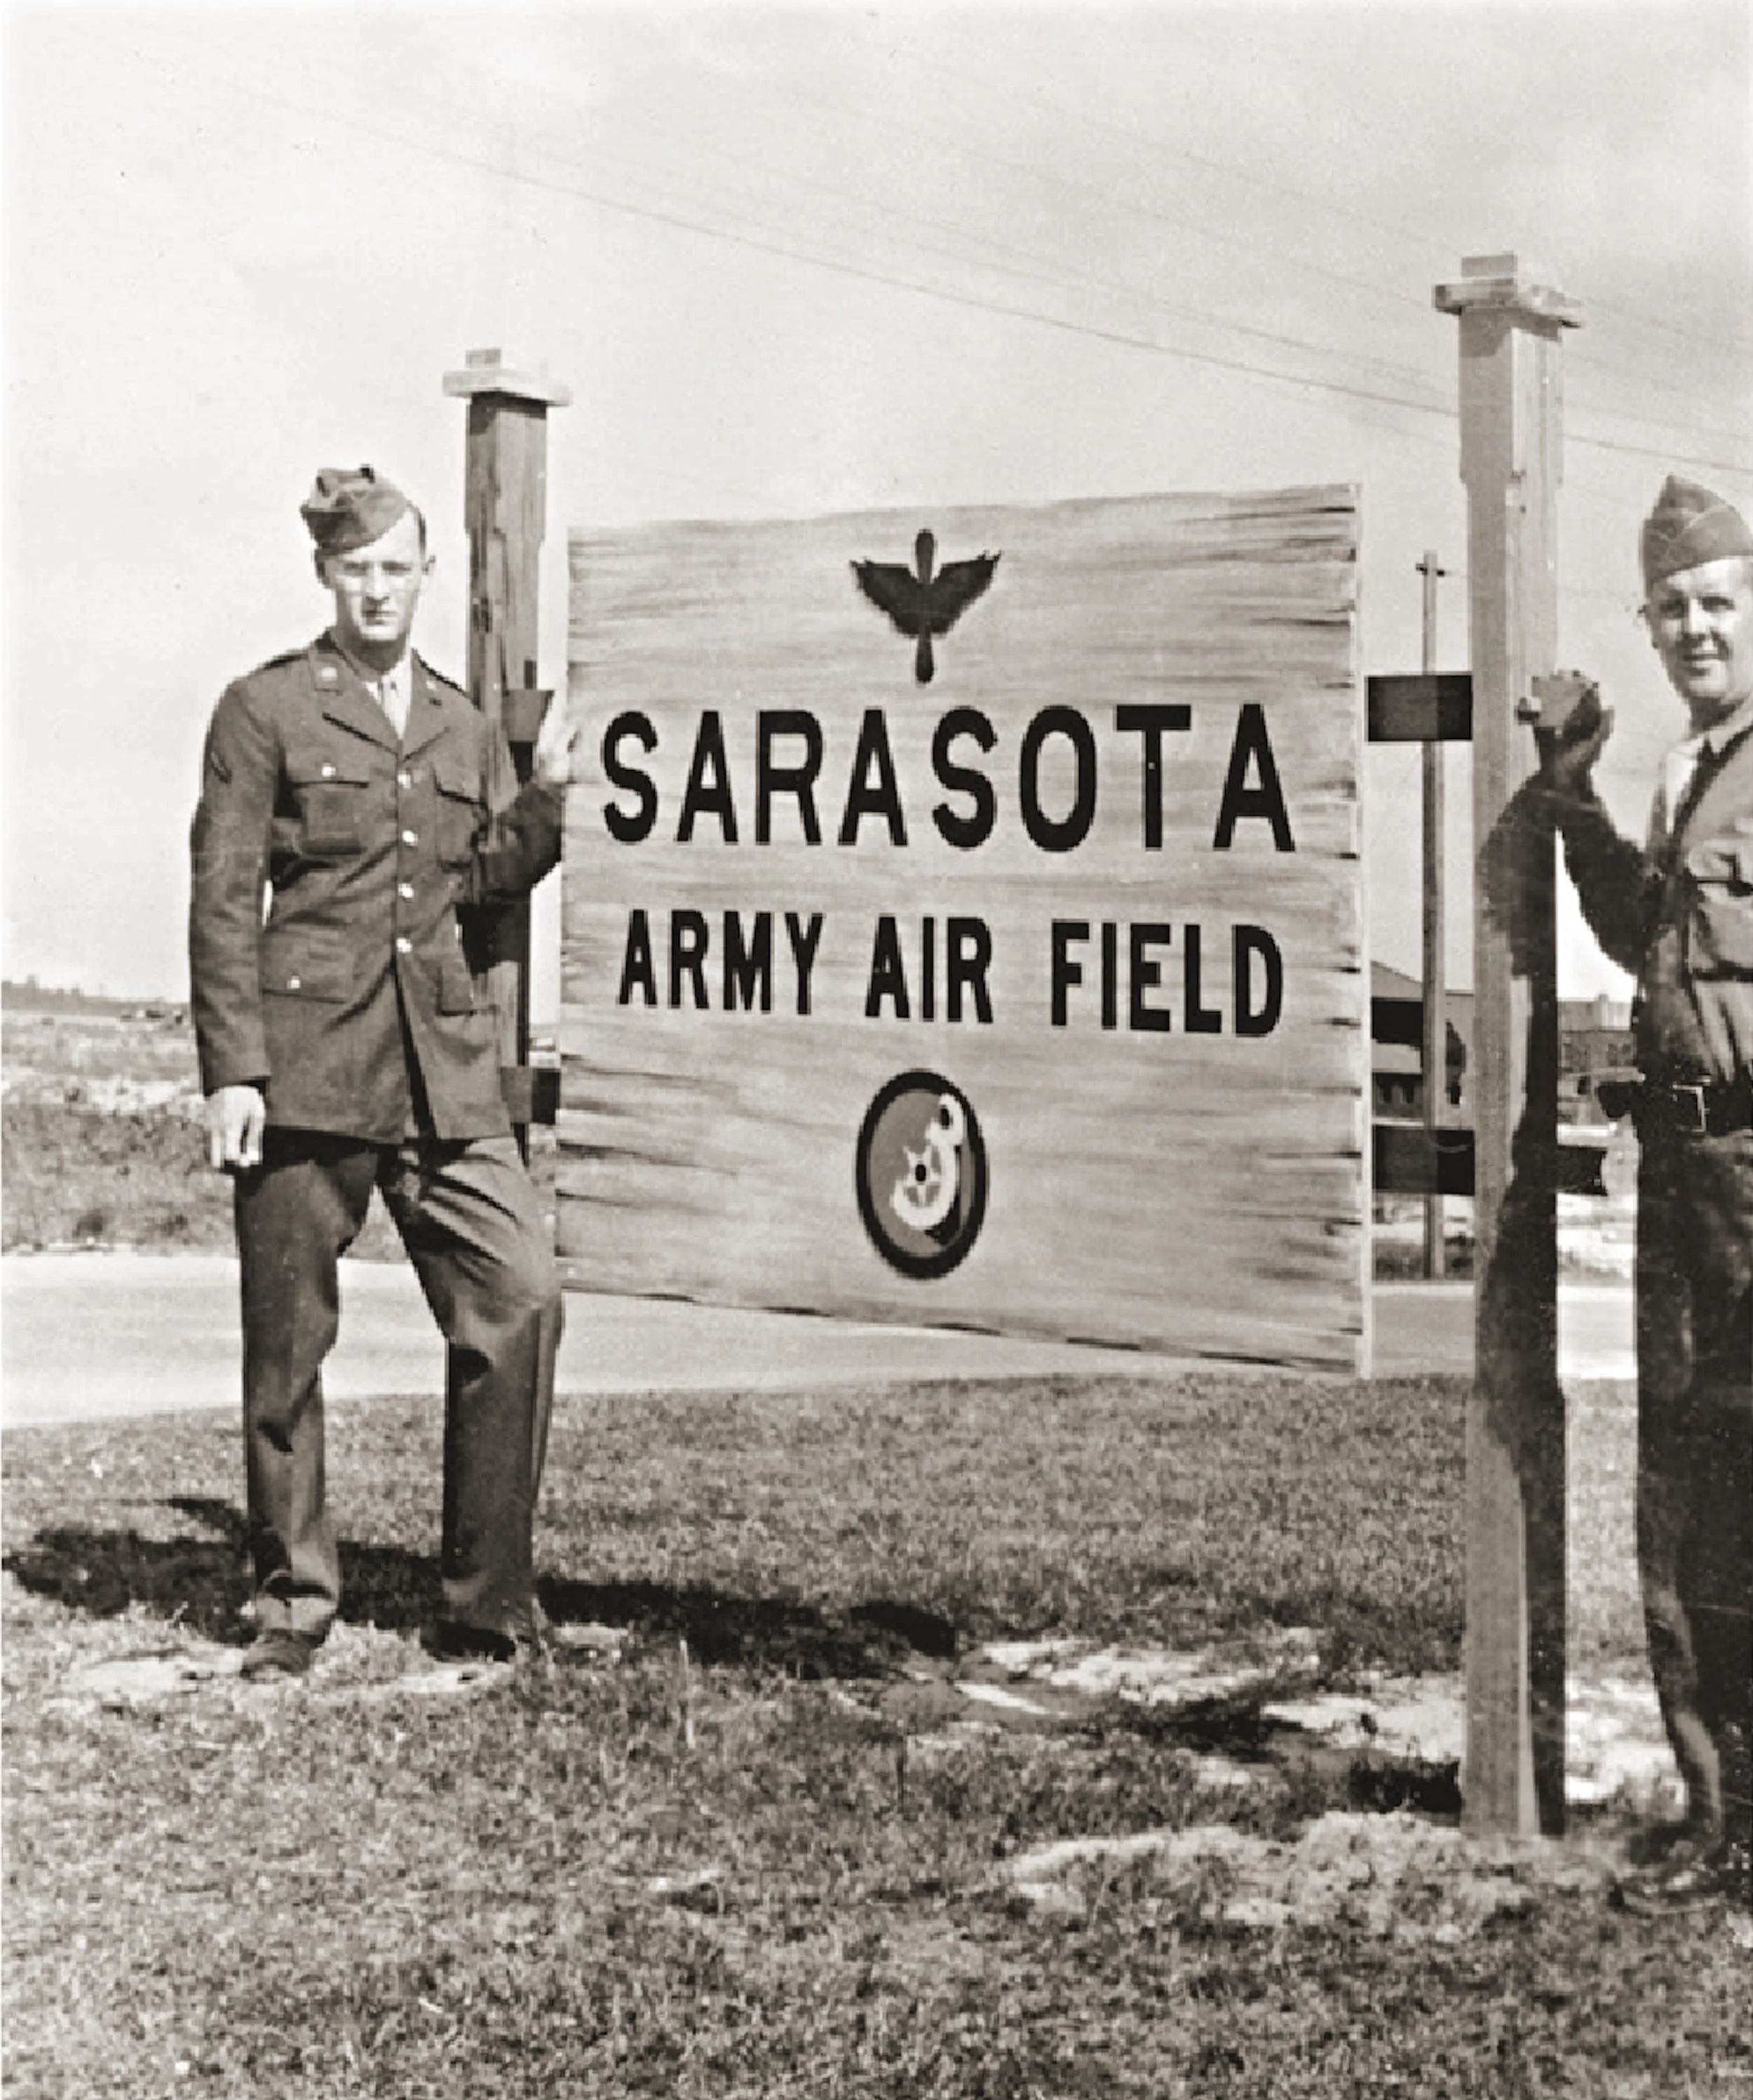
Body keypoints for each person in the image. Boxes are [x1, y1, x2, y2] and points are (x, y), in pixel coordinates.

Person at [189, 465, 576, 1679]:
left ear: (424, 577)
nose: (377, 590)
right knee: (287, 1349)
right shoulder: (267, 709)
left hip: (443, 1073)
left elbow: (484, 879)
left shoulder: (461, 724)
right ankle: (294, 1604)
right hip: (308, 1070)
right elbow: (222, 894)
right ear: (325, 576)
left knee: (518, 1296)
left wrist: (553, 796)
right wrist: (233, 1071)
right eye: (356, 569)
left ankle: (485, 1602)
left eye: (396, 568)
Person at [1541, 475, 1752, 1910]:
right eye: (1670, 608)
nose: (1693, 627)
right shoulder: (1687, 773)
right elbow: (1646, 948)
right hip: (1689, 1180)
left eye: (1718, 602)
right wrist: (1571, 801)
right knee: (1685, 1513)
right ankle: (1723, 1816)